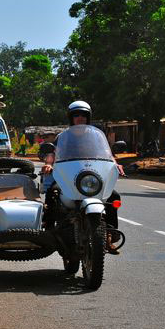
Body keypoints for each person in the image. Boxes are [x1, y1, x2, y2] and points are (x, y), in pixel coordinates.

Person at [40, 100, 124, 253]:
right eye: (76, 115)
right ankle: (48, 227)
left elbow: (108, 155)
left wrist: (115, 164)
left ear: (88, 117)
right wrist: (50, 164)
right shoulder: (63, 137)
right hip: (70, 174)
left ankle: (110, 235)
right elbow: (53, 153)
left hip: (91, 175)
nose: (80, 118)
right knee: (53, 191)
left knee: (114, 196)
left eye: (83, 115)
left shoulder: (97, 136)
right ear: (71, 118)